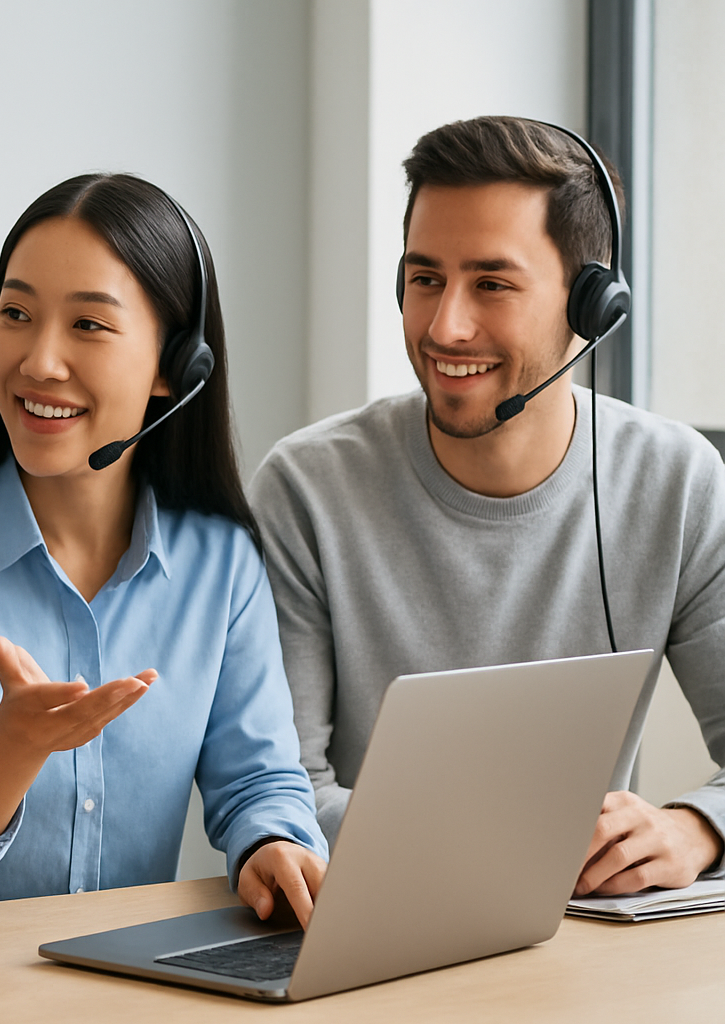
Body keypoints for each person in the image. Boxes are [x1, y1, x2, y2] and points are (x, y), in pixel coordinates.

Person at [250, 115, 725, 897]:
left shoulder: (676, 482)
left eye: (492, 284)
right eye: (425, 278)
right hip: (377, 918)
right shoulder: (307, 489)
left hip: (583, 934)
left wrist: (695, 827)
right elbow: (282, 794)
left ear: (590, 305)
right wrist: (517, 851)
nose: (445, 326)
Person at [0, 173, 328, 920]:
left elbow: (260, 781)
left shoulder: (222, 562)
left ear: (175, 366)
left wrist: (274, 844)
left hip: (136, 974)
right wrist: (11, 748)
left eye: (89, 325)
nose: (39, 361)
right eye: (16, 313)